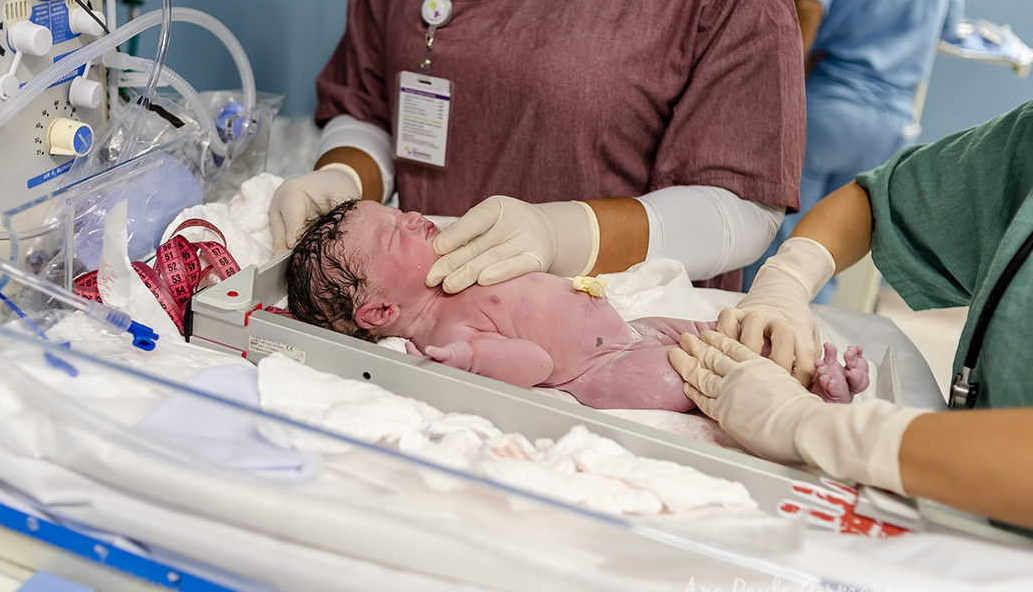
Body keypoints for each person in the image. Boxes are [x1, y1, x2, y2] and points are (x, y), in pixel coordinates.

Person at [270, 0, 806, 294]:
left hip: (615, 328)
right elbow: (370, 108)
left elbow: (742, 207)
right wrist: (342, 179)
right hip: (427, 313)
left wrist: (561, 235)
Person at [669, 99, 1033, 530]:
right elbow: (877, 203)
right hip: (951, 504)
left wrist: (820, 428)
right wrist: (788, 278)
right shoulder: (1023, 143)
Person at [284, 199, 870, 412]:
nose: (412, 216)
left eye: (396, 211)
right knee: (705, 376)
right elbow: (536, 364)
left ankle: (805, 365)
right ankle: (812, 398)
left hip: (630, 326)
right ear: (380, 314)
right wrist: (467, 359)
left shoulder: (458, 270)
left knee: (730, 330)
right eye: (394, 233)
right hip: (602, 367)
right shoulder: (447, 329)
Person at [742, 0, 965, 301]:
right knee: (822, 258)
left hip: (826, 112)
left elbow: (809, 1)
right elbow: (949, 26)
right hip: (891, 123)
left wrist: (786, 83)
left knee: (778, 254)